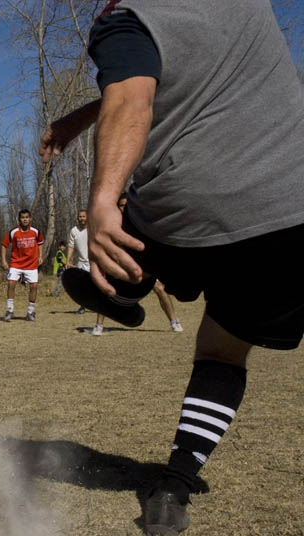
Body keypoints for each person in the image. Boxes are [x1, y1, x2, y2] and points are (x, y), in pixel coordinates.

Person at [40, 2, 304, 534]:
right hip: (291, 216)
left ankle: (117, 287)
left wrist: (102, 200)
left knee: (148, 206)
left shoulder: (125, 19)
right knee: (222, 354)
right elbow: (177, 79)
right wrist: (84, 114)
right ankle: (175, 483)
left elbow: (134, 101)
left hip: (191, 208)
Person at [90, 194, 183, 336]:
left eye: (127, 205)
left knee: (159, 288)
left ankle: (174, 321)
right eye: (122, 205)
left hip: (144, 267)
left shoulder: (140, 223)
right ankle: (99, 325)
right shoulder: (113, 225)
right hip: (121, 265)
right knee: (105, 289)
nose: (125, 208)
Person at [0, 209, 44, 321]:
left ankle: (30, 312)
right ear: (19, 219)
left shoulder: (36, 231)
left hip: (31, 264)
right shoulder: (13, 232)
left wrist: (40, 256)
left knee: (34, 286)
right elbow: (4, 245)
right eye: (22, 217)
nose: (25, 219)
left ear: (30, 218)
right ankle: (9, 310)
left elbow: (40, 243)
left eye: (27, 217)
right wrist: (4, 260)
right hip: (16, 263)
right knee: (11, 284)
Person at [65, 210, 92, 315]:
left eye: (84, 216)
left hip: (94, 261)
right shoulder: (74, 231)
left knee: (98, 285)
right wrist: (68, 260)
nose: (82, 218)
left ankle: (104, 306)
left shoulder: (92, 228)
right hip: (82, 262)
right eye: (80, 216)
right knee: (82, 286)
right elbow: (71, 246)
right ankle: (82, 306)